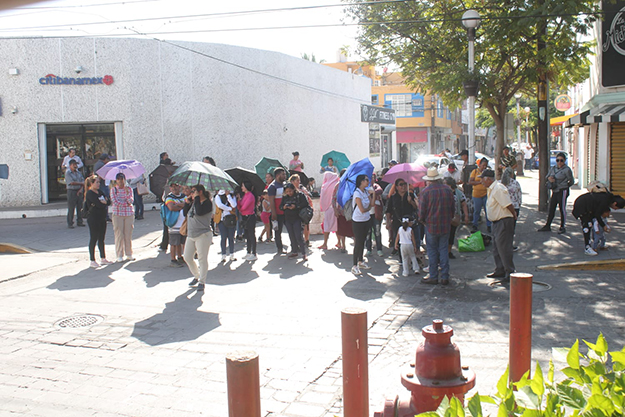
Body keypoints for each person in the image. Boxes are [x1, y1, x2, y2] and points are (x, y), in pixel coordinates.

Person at [480, 169, 518, 285]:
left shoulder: (498, 188)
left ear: (487, 179)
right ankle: (500, 269)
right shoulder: (492, 188)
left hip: (503, 220)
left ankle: (509, 271)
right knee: (497, 248)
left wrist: (513, 215)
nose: (481, 181)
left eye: (482, 179)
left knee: (504, 247)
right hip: (497, 221)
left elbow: (507, 204)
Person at [419, 167, 455, 285]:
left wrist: (423, 221)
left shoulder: (425, 192)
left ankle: (433, 276)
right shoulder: (448, 190)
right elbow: (452, 209)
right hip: (445, 225)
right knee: (444, 250)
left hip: (431, 226)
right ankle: (445, 276)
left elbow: (421, 212)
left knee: (432, 251)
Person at [572, 191, 625, 256]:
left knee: (590, 224)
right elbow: (598, 214)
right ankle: (587, 248)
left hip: (588, 207)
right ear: (615, 203)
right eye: (616, 208)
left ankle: (593, 244)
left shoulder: (607, 199)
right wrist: (603, 225)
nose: (615, 209)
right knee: (587, 226)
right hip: (582, 207)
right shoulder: (605, 200)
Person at [183, 184, 213, 292]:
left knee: (202, 258)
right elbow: (184, 213)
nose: (191, 193)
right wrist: (187, 203)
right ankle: (196, 275)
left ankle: (202, 281)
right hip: (191, 234)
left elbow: (199, 212)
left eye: (194, 191)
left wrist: (195, 199)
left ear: (200, 192)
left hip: (203, 235)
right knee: (187, 257)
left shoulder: (207, 203)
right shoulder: (193, 202)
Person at [537, 152, 575, 234]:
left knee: (562, 209)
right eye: (558, 160)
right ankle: (548, 225)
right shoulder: (553, 168)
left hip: (562, 190)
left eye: (561, 160)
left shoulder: (567, 170)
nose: (559, 162)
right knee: (551, 208)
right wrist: (550, 179)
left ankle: (562, 226)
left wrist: (565, 185)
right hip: (555, 190)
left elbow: (571, 181)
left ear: (564, 160)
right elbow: (547, 176)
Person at [84, 175, 113, 268]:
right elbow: (98, 204)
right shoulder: (90, 193)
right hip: (93, 218)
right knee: (94, 238)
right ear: (91, 183)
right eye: (96, 182)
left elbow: (108, 202)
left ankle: (103, 258)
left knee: (101, 238)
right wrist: (103, 203)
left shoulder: (100, 192)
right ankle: (92, 260)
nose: (98, 184)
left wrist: (105, 202)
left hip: (102, 217)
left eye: (99, 182)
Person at [385, 178, 418, 258]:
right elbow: (388, 210)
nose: (403, 186)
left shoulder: (410, 195)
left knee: (411, 240)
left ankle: (412, 259)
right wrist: (388, 222)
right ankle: (402, 259)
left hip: (409, 221)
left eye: (404, 184)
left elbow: (416, 208)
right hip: (397, 222)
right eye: (401, 184)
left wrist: (411, 202)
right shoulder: (393, 197)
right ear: (396, 187)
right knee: (399, 241)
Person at [350, 174, 374, 275]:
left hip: (366, 219)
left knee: (363, 241)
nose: (368, 182)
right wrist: (368, 209)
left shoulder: (365, 192)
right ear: (361, 182)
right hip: (358, 221)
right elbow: (362, 209)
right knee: (358, 243)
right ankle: (354, 265)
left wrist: (373, 194)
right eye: (366, 180)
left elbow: (372, 204)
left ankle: (361, 261)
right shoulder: (357, 193)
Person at [279, 183, 309, 260]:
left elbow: (305, 204)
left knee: (298, 236)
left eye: (290, 191)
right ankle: (294, 251)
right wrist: (284, 207)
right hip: (288, 219)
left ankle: (303, 253)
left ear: (294, 189)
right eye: (287, 191)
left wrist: (296, 206)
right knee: (291, 236)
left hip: (297, 218)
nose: (289, 193)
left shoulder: (300, 195)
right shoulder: (285, 197)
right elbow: (280, 206)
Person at [110, 173, 135, 262]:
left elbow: (131, 200)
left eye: (122, 179)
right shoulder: (114, 190)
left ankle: (129, 253)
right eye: (119, 179)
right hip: (118, 214)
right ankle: (119, 254)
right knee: (119, 234)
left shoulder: (129, 189)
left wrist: (126, 197)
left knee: (128, 234)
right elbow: (115, 201)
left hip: (128, 214)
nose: (121, 181)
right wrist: (125, 203)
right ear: (116, 180)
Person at [443, 177, 468, 259]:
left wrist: (466, 215)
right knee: (444, 235)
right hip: (444, 218)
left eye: (445, 184)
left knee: (451, 234)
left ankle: (449, 251)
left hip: (454, 217)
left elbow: (464, 203)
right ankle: (443, 251)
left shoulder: (458, 193)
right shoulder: (443, 192)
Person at [165, 183, 186, 267]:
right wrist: (182, 206)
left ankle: (180, 257)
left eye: (176, 186)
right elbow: (171, 207)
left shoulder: (183, 196)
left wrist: (177, 205)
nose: (174, 188)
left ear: (179, 186)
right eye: (172, 186)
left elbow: (188, 204)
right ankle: (173, 260)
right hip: (173, 223)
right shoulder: (169, 197)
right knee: (174, 243)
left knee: (181, 242)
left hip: (183, 223)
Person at [267, 167, 288, 255]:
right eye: (283, 174)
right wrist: (274, 213)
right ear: (278, 175)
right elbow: (271, 201)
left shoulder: (285, 184)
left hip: (287, 212)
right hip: (278, 213)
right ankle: (280, 248)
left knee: (291, 230)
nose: (285, 176)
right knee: (278, 231)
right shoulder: (272, 187)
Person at [501, 168, 522, 251]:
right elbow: (519, 196)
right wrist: (519, 205)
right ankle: (509, 245)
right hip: (514, 207)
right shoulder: (515, 183)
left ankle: (502, 244)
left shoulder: (500, 183)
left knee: (503, 227)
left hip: (503, 207)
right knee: (511, 228)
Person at [469, 158, 491, 233]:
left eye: (486, 166)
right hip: (476, 195)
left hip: (485, 194)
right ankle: (475, 224)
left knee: (487, 210)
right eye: (483, 165)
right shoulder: (475, 172)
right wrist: (480, 182)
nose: (484, 167)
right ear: (479, 165)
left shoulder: (487, 172)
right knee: (476, 210)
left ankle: (489, 225)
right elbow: (470, 181)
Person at [290, 174, 313, 247]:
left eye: (299, 180)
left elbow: (308, 198)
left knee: (306, 225)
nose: (299, 182)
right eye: (297, 180)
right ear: (292, 181)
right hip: (294, 211)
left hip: (303, 210)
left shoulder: (302, 189)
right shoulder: (289, 190)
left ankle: (306, 240)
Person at [215, 189, 238, 262]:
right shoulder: (218, 196)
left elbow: (234, 204)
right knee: (223, 237)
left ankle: (231, 254)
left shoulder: (231, 196)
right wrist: (229, 208)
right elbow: (220, 205)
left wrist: (228, 196)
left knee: (231, 237)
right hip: (221, 220)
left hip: (231, 219)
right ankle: (223, 255)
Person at [319, 171, 339, 250]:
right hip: (337, 208)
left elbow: (323, 198)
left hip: (328, 208)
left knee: (327, 226)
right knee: (337, 226)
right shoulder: (338, 184)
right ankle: (339, 242)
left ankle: (325, 243)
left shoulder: (325, 186)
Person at [239, 180, 258, 261]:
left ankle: (254, 253)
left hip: (250, 216)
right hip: (244, 216)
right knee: (247, 235)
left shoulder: (250, 196)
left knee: (251, 234)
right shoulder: (245, 195)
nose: (242, 187)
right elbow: (240, 205)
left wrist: (240, 207)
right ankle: (248, 251)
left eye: (243, 186)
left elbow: (244, 207)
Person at [365, 179, 384, 257]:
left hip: (375, 213)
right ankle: (368, 249)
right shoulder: (364, 189)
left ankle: (379, 249)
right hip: (367, 214)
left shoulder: (375, 186)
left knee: (377, 231)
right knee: (368, 233)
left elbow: (380, 190)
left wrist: (372, 193)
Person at [65, 159, 85, 229]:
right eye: (74, 165)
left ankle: (80, 221)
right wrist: (81, 183)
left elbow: (83, 181)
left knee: (80, 207)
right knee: (71, 208)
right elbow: (71, 182)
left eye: (76, 164)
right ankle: (70, 222)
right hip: (71, 191)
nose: (75, 166)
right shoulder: (68, 173)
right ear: (70, 165)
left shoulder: (78, 173)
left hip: (79, 190)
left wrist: (80, 189)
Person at [94, 153, 112, 221]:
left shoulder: (97, 164)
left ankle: (104, 216)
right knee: (105, 199)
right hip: (103, 185)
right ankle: (105, 216)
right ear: (105, 159)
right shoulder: (101, 165)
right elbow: (100, 175)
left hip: (102, 184)